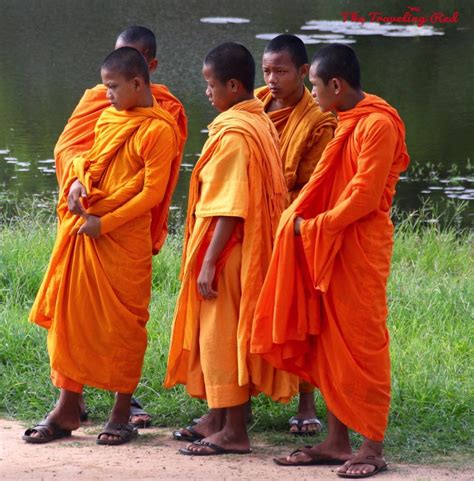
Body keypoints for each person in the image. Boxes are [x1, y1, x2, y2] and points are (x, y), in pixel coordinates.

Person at [251, 44, 409, 477]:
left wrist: (311, 226)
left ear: (336, 85)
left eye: (317, 86)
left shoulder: (376, 125)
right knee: (329, 342)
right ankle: (338, 442)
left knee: (362, 344)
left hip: (358, 248)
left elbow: (364, 196)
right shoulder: (347, 122)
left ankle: (371, 447)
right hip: (332, 247)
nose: (313, 95)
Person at [23, 46, 181, 445]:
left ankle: (120, 412)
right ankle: (67, 408)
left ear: (138, 83)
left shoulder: (159, 129)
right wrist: (77, 181)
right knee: (74, 317)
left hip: (123, 241)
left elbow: (150, 193)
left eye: (112, 86)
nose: (105, 94)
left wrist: (104, 223)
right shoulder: (111, 117)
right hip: (89, 236)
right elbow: (88, 160)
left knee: (123, 327)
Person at [164, 42, 297, 456]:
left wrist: (207, 262)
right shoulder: (253, 121)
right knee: (215, 335)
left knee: (225, 337)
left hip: (228, 252)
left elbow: (230, 208)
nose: (206, 92)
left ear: (234, 85)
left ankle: (235, 431)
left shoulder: (238, 134)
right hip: (234, 250)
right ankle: (218, 417)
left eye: (210, 84)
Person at [256, 33, 337, 436]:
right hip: (254, 223)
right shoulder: (254, 106)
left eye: (281, 71)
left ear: (304, 72)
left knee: (301, 311)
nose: (272, 79)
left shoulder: (320, 119)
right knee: (251, 306)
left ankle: (306, 402)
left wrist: (279, 207)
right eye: (267, 70)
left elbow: (314, 186)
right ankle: (245, 390)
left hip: (294, 226)